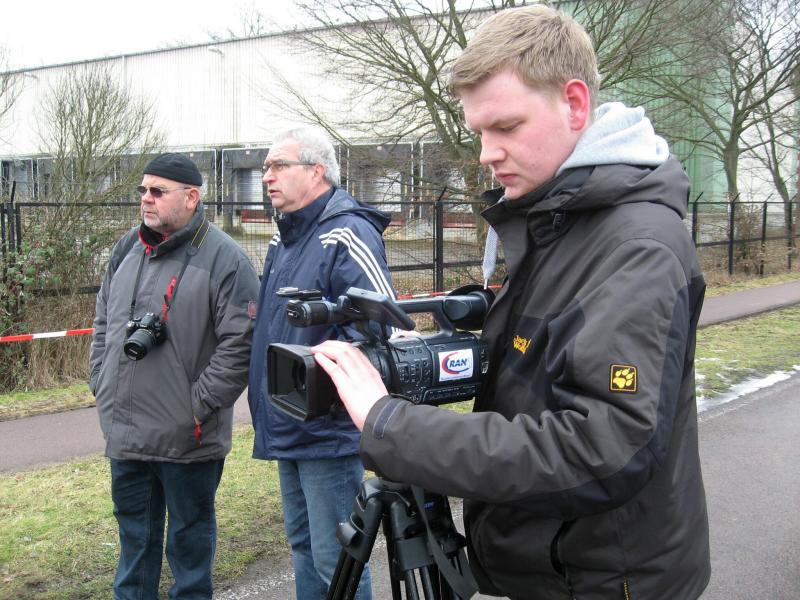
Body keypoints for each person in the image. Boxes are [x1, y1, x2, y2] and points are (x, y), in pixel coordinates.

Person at [311, 6, 711, 600]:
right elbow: (541, 366)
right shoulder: (555, 219)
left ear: (574, 104)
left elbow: (603, 449)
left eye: (505, 127)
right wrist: (435, 352)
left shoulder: (635, 245)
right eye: (479, 132)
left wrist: (392, 425)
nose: (486, 153)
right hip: (551, 564)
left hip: (606, 579)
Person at [89, 153, 260, 600]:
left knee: (189, 546)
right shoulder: (127, 248)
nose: (146, 198)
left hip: (188, 438)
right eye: (143, 190)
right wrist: (101, 381)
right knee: (134, 544)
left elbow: (241, 345)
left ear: (191, 197)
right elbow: (103, 321)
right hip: (127, 432)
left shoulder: (225, 258)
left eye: (158, 191)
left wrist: (194, 407)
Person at [248, 126, 394, 600]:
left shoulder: (347, 232)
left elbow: (379, 328)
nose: (267, 176)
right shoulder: (284, 239)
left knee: (337, 559)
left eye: (278, 165)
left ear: (316, 171)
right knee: (303, 546)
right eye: (265, 167)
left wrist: (317, 385)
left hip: (326, 430)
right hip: (286, 420)